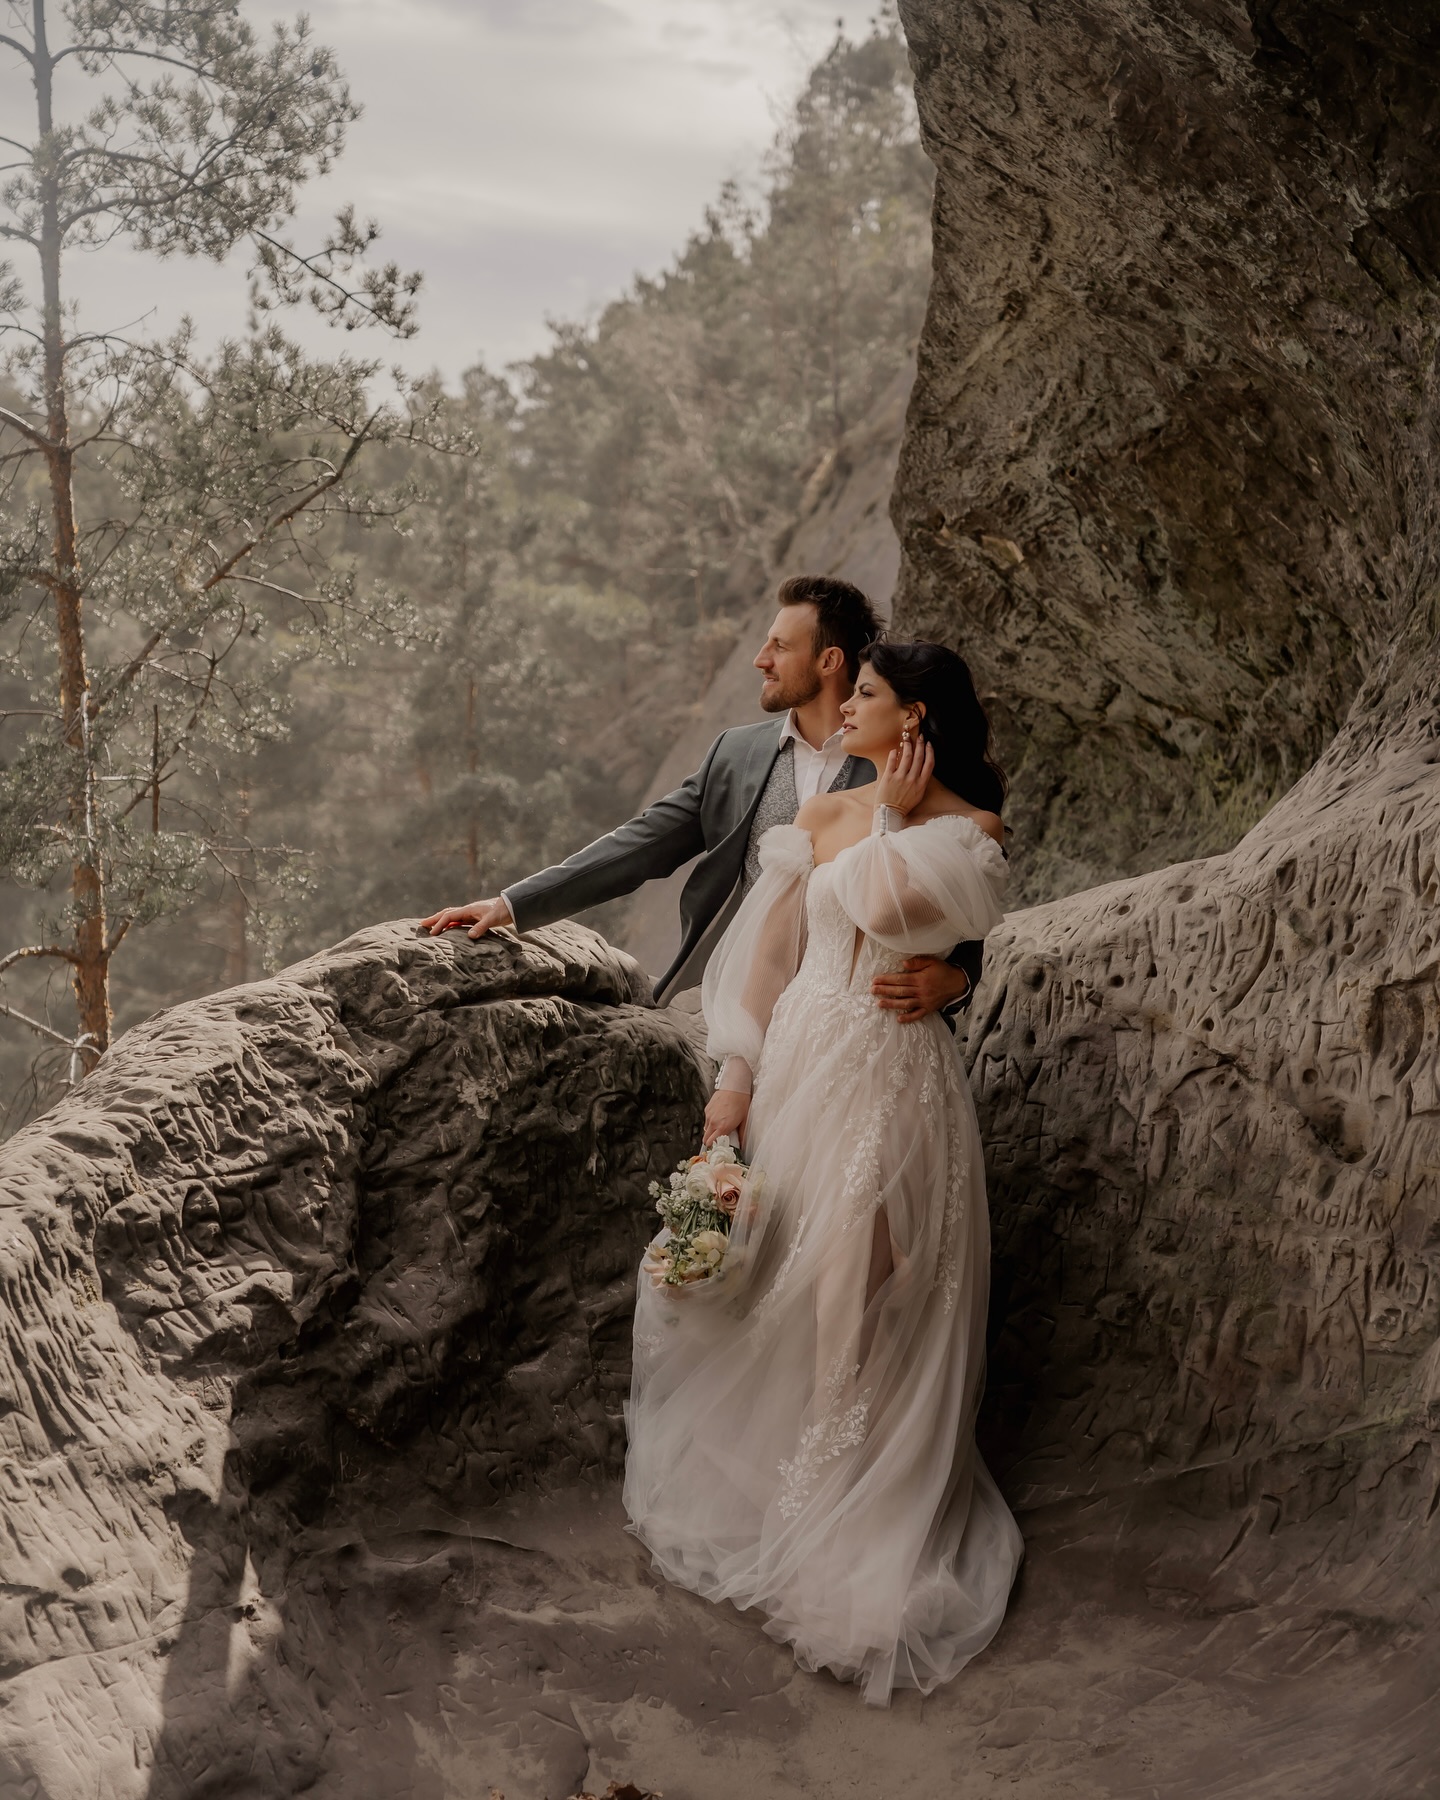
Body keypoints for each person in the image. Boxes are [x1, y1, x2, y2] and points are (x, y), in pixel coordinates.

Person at [623, 639, 1023, 1706]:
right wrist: (733, 1083)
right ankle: (794, 1493)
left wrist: (901, 843)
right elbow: (768, 956)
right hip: (804, 1064)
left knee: (865, 1284)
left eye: (869, 696)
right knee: (790, 1284)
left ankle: (855, 1521)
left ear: (915, 718)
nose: (847, 708)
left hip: (890, 1077)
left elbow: (899, 919)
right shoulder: (822, 813)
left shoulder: (972, 830)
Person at [420, 574, 982, 1022]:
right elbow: (640, 845)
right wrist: (513, 905)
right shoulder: (735, 754)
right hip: (734, 1001)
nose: (760, 659)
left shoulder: (898, 764)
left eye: (780, 646)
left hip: (860, 1010)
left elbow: (964, 869)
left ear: (829, 661)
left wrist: (960, 976)